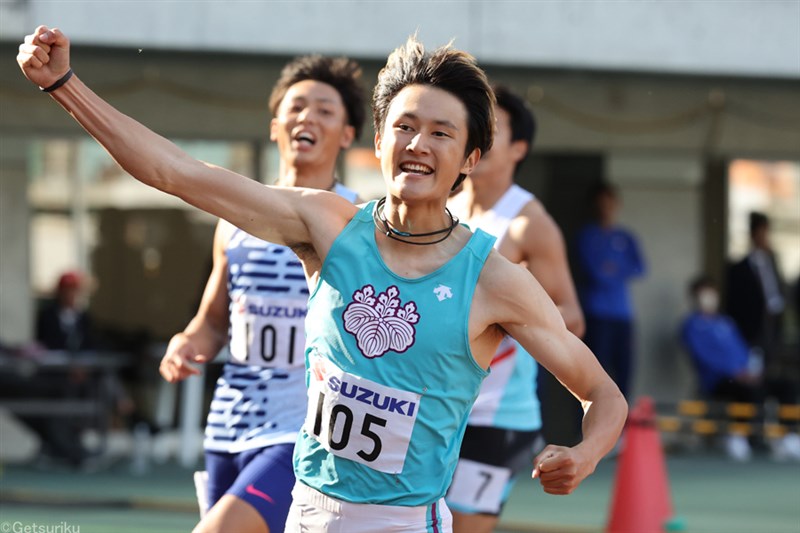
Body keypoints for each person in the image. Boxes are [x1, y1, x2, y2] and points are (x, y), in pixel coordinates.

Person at [18, 27, 627, 532]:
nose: (418, 144)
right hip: (307, 511)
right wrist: (65, 86)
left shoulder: (496, 280)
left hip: (405, 522)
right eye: (405, 126)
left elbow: (603, 395)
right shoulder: (327, 226)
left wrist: (584, 453)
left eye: (442, 133)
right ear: (380, 139)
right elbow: (175, 172)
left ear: (469, 159)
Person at [157, 55, 365, 533]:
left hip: (306, 431)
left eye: (324, 111)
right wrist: (186, 343)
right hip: (229, 425)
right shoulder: (234, 220)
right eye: (296, 108)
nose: (306, 118)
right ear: (275, 127)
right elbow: (213, 322)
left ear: (348, 135)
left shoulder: (358, 221)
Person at [445, 85, 584, 532]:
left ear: (519, 148)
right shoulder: (446, 210)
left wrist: (502, 317)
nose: (481, 135)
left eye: (495, 128)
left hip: (496, 416)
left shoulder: (528, 223)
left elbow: (572, 317)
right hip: (439, 404)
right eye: (475, 124)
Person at [681, 275, 800, 462]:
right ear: (695, 297)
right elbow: (704, 357)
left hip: (746, 375)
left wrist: (752, 370)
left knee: (787, 385)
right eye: (703, 293)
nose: (709, 298)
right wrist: (736, 373)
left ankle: (788, 436)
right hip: (719, 380)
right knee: (750, 390)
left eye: (712, 293)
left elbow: (742, 351)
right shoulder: (692, 325)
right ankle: (747, 437)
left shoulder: (726, 322)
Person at [575, 182, 646, 399]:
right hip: (597, 313)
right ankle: (587, 428)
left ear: (617, 204)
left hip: (623, 314)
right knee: (596, 373)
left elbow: (640, 268)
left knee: (624, 372)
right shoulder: (588, 235)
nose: (606, 208)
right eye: (601, 204)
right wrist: (617, 270)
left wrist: (614, 268)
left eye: (610, 203)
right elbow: (596, 272)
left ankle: (621, 428)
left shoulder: (625, 237)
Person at [726, 212, 787, 375]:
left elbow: (777, 291)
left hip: (772, 325)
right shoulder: (740, 268)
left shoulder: (773, 261)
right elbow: (734, 303)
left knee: (773, 371)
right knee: (753, 371)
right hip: (751, 329)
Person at [36, 271, 93, 352]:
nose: (69, 294)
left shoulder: (84, 317)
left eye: (73, 290)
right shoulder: (47, 316)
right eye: (66, 290)